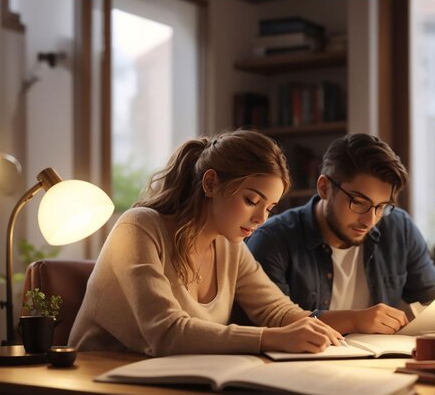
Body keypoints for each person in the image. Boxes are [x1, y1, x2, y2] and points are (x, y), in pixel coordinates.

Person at [68, 129, 344, 356]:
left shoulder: (230, 246)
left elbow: (275, 309)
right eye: (251, 201)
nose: (261, 218)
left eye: (269, 208)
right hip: (99, 383)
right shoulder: (138, 226)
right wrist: (271, 338)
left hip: (172, 382)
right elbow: (165, 333)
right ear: (211, 183)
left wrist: (325, 329)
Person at [245, 133, 435, 335]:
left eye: (381, 206)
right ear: (324, 187)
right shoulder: (273, 239)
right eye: (358, 202)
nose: (370, 220)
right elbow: (269, 326)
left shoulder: (398, 228)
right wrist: (356, 321)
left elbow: (434, 298)